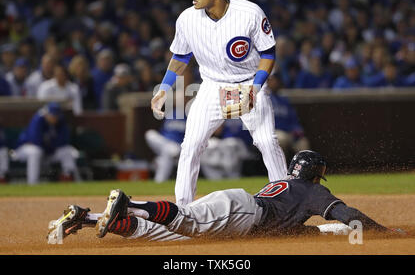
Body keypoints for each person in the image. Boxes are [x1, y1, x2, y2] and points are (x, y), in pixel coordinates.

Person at [47, 150, 405, 244]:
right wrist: (380, 231)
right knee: (186, 221)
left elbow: (289, 228)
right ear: (315, 174)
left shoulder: (285, 187)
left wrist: (319, 234)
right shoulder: (312, 191)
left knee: (155, 232)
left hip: (239, 207)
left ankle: (87, 216)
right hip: (241, 214)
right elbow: (347, 212)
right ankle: (131, 203)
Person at [150, 0, 287, 205]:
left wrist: (255, 88)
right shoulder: (187, 18)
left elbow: (268, 53)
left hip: (248, 83)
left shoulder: (249, 13)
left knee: (266, 142)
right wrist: (164, 88)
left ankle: (287, 202)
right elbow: (181, 57)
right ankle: (183, 209)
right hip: (212, 86)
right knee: (190, 145)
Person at [10, 102, 81, 184]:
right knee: (35, 151)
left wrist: (51, 147)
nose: (54, 118)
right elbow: (36, 141)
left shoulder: (61, 121)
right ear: (47, 113)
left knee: (67, 151)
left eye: (56, 115)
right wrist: (51, 146)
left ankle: (69, 178)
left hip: (47, 152)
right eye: (52, 115)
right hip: (23, 150)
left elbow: (64, 141)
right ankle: (32, 183)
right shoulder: (38, 119)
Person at [267, 74, 310, 160]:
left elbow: (294, 120)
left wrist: (297, 130)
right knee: (281, 139)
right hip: (274, 133)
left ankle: (301, 171)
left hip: (288, 133)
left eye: (276, 81)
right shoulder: (265, 99)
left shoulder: (284, 101)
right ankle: (281, 171)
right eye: (272, 81)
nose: (274, 83)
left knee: (303, 143)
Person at [144, 110, 186, 183]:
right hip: (165, 142)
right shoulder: (171, 114)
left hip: (178, 146)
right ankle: (159, 161)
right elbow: (163, 131)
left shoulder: (188, 115)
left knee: (168, 151)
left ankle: (159, 180)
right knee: (150, 134)